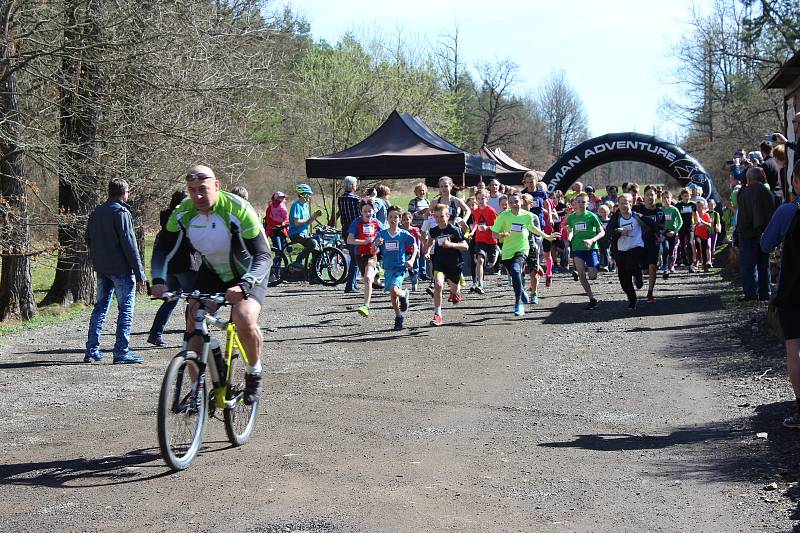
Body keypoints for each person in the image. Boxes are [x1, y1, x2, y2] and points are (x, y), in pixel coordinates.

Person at [151, 165, 272, 405]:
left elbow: (263, 256)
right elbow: (163, 249)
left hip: (247, 271)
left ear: (216, 186)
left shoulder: (238, 209)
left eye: (203, 189)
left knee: (243, 316)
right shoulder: (183, 213)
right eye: (192, 190)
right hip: (213, 271)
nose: (197, 196)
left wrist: (245, 285)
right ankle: (197, 390)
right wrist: (158, 280)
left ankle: (254, 370)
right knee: (194, 317)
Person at [84, 178, 147, 364]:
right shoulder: (122, 212)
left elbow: (88, 238)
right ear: (124, 193)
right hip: (121, 270)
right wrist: (139, 271)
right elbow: (130, 245)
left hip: (102, 268)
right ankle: (121, 352)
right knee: (126, 309)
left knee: (100, 309)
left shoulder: (96, 212)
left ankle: (91, 350)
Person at [761, 171, 800, 428]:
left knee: (795, 351)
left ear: (795, 181)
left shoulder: (788, 211)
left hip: (793, 289)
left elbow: (765, 244)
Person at [147, 191, 201, 347]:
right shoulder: (185, 217)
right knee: (194, 300)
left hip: (170, 267)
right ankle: (191, 334)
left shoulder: (167, 220)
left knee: (170, 300)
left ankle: (155, 333)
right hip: (186, 266)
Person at [493, 192, 555, 316]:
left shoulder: (527, 215)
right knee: (514, 275)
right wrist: (502, 234)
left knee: (516, 270)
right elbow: (494, 234)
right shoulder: (503, 216)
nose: (514, 204)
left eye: (516, 201)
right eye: (511, 202)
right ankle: (521, 291)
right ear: (508, 204)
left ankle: (518, 303)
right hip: (507, 252)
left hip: (522, 248)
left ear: (521, 202)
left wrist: (547, 236)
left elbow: (532, 228)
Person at [607, 193, 655, 309]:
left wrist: (663, 232)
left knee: (633, 265)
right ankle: (632, 299)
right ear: (618, 205)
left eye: (627, 203)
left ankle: (638, 275)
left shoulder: (636, 216)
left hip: (637, 246)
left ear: (631, 204)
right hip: (621, 250)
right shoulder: (616, 218)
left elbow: (653, 224)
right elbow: (608, 232)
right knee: (623, 279)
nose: (624, 205)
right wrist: (618, 231)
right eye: (621, 203)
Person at [373, 206, 417, 330]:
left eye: (396, 217)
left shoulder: (403, 234)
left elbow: (414, 245)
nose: (393, 219)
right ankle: (398, 316)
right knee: (393, 295)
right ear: (387, 219)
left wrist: (412, 259)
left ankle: (404, 294)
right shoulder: (381, 234)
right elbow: (372, 250)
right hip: (388, 269)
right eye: (390, 217)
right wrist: (376, 244)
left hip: (400, 268)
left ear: (400, 219)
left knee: (394, 289)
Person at [736, 166, 776, 301]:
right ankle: (765, 293)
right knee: (764, 264)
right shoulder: (767, 191)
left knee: (748, 265)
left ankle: (751, 293)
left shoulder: (744, 192)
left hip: (747, 234)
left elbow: (743, 216)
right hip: (764, 232)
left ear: (748, 178)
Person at [425, 204, 468, 326]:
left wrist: (451, 245)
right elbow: (429, 242)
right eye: (436, 217)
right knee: (438, 284)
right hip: (439, 262)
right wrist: (427, 252)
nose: (439, 219)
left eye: (441, 216)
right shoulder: (434, 230)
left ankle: (455, 292)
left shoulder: (454, 229)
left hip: (454, 263)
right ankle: (437, 315)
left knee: (454, 290)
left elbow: (465, 246)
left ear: (448, 216)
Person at [566, 192, 605, 310]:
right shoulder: (572, 217)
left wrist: (592, 240)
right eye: (579, 202)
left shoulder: (592, 216)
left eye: (583, 202)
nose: (581, 204)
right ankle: (592, 299)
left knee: (592, 276)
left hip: (591, 248)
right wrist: (570, 236)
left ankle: (591, 267)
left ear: (587, 203)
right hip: (577, 248)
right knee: (581, 273)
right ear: (575, 204)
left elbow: (602, 232)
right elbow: (569, 228)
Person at [346, 198, 383, 317]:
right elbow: (349, 240)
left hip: (372, 254)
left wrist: (379, 241)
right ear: (361, 212)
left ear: (374, 210)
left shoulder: (377, 223)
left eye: (370, 211)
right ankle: (376, 271)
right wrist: (365, 242)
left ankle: (366, 305)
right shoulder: (357, 223)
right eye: (365, 211)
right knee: (366, 278)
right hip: (359, 255)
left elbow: (385, 236)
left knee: (367, 278)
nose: (368, 213)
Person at [632, 185, 665, 302]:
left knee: (653, 267)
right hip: (639, 243)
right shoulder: (637, 210)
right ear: (644, 197)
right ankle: (637, 274)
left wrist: (662, 235)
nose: (650, 197)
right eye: (648, 195)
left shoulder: (660, 212)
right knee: (642, 268)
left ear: (656, 196)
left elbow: (661, 227)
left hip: (653, 243)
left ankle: (650, 292)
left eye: (652, 195)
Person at [471, 190, 498, 294]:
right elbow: (476, 223)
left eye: (483, 198)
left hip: (491, 240)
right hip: (479, 240)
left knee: (491, 264)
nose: (480, 201)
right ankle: (480, 283)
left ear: (487, 199)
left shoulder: (491, 210)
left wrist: (487, 228)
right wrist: (473, 229)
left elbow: (497, 226)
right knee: (480, 260)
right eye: (478, 199)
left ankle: (497, 252)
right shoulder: (476, 211)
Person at [288, 183, 321, 269]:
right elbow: (297, 222)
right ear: (303, 194)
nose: (310, 197)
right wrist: (311, 218)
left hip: (303, 232)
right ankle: (298, 261)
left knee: (318, 244)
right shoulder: (296, 205)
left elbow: (307, 222)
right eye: (309, 194)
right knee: (313, 244)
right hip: (295, 233)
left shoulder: (305, 206)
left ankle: (313, 269)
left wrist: (314, 217)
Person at [338, 176, 361, 293]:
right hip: (355, 230)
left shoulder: (340, 199)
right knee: (355, 258)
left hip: (345, 229)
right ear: (353, 186)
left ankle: (354, 283)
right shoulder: (356, 199)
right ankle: (350, 285)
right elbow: (360, 216)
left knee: (354, 256)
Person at [659, 190, 683, 278]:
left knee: (671, 251)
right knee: (665, 249)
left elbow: (680, 222)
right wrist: (661, 231)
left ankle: (671, 265)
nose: (666, 199)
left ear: (671, 198)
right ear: (662, 199)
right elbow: (658, 223)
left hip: (672, 232)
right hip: (664, 232)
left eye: (667, 197)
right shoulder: (660, 210)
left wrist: (675, 231)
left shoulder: (674, 209)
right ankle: (665, 267)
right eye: (664, 198)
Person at [400, 211, 423, 292]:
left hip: (414, 251)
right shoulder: (400, 231)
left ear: (411, 220)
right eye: (404, 219)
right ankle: (411, 276)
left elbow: (421, 238)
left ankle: (414, 280)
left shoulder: (414, 230)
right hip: (404, 251)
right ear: (401, 221)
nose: (406, 221)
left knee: (415, 266)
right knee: (407, 266)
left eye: (408, 219)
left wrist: (424, 245)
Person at [675, 188, 696, 269]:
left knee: (690, 243)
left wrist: (696, 223)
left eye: (688, 196)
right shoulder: (678, 205)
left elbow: (695, 215)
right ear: (681, 197)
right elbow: (676, 217)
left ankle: (690, 263)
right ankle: (684, 260)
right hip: (681, 227)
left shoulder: (692, 204)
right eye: (685, 196)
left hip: (690, 227)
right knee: (682, 244)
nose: (687, 197)